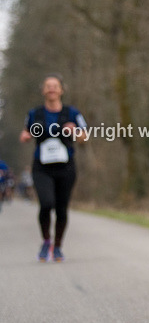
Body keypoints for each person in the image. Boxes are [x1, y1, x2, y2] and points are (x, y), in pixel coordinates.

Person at [19, 74, 88, 262]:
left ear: (61, 90)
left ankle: (57, 246)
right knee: (46, 203)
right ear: (43, 90)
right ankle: (46, 241)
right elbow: (25, 133)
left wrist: (75, 132)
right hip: (42, 167)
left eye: (55, 86)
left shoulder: (72, 112)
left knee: (62, 208)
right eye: (48, 86)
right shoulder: (35, 113)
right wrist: (25, 136)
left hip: (66, 166)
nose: (51, 89)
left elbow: (84, 136)